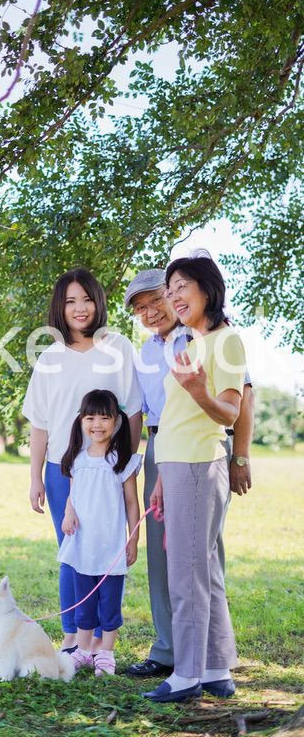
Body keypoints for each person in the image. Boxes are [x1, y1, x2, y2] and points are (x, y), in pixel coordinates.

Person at [123, 269, 254, 680]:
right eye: (140, 309)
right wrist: (131, 464)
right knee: (164, 557)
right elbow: (137, 413)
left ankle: (212, 659)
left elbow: (242, 398)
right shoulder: (143, 353)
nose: (150, 312)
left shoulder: (205, 335)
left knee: (201, 557)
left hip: (203, 448)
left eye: (156, 300)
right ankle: (168, 649)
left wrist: (241, 457)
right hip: (161, 450)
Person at [22, 268, 142, 653]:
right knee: (70, 550)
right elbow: (40, 425)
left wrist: (124, 462)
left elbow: (134, 411)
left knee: (105, 550)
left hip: (108, 470)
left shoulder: (118, 347)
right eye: (71, 301)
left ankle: (104, 640)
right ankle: (73, 637)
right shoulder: (49, 358)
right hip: (63, 470)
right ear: (60, 306)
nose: (80, 308)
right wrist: (36, 478)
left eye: (87, 299)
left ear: (98, 303)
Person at [58, 389, 141, 676]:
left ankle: (105, 652)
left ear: (116, 421)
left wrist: (133, 539)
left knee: (109, 604)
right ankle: (82, 650)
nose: (97, 424)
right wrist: (69, 513)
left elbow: (132, 503)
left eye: (104, 418)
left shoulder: (121, 461)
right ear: (81, 420)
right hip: (82, 544)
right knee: (84, 603)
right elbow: (73, 495)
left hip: (111, 546)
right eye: (90, 417)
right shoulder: (77, 459)